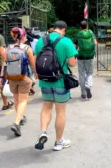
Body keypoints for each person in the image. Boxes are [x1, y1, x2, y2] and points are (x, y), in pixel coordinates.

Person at [34, 21, 78, 151]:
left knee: (46, 107)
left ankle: (43, 132)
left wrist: (37, 74)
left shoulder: (41, 41)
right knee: (60, 111)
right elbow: (72, 64)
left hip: (45, 81)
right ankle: (59, 142)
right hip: (60, 81)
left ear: (53, 28)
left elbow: (36, 60)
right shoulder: (66, 41)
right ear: (63, 29)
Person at [2, 27, 37, 137]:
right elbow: (32, 64)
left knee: (16, 100)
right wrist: (36, 73)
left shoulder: (8, 48)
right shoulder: (27, 48)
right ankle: (17, 123)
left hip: (12, 78)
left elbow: (5, 62)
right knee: (23, 101)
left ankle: (20, 118)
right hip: (23, 78)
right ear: (23, 36)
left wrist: (2, 76)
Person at [74, 21, 97, 99]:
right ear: (87, 26)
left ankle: (83, 93)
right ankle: (88, 86)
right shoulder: (91, 33)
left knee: (81, 74)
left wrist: (74, 56)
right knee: (89, 73)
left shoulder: (78, 34)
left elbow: (75, 46)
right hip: (90, 56)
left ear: (80, 27)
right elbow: (95, 43)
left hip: (80, 56)